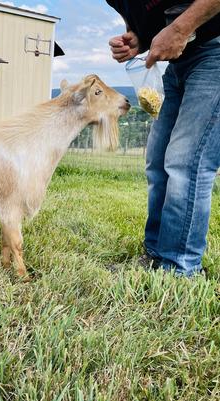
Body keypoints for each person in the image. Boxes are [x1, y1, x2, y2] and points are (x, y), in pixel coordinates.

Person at [106, 0, 220, 277]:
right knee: (157, 164)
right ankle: (156, 254)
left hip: (214, 53)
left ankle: (180, 268)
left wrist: (180, 29)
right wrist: (136, 41)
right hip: (177, 63)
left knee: (186, 163)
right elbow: (144, 19)